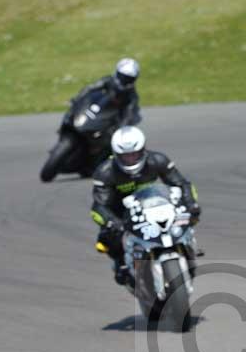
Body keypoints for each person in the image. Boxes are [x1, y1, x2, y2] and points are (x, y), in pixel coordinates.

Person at [90, 126, 200, 284]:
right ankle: (122, 265)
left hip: (154, 204)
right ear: (116, 155)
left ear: (143, 150)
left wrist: (191, 204)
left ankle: (187, 247)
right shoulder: (105, 172)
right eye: (125, 156)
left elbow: (182, 184)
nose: (131, 159)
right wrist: (113, 222)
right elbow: (98, 206)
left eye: (135, 154)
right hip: (121, 213)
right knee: (108, 237)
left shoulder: (158, 160)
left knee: (186, 217)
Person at [68, 57, 141, 127]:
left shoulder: (132, 96)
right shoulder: (108, 80)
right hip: (99, 111)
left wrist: (122, 126)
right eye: (122, 77)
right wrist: (76, 100)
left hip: (113, 119)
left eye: (128, 79)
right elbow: (90, 88)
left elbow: (129, 113)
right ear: (117, 73)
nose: (124, 81)